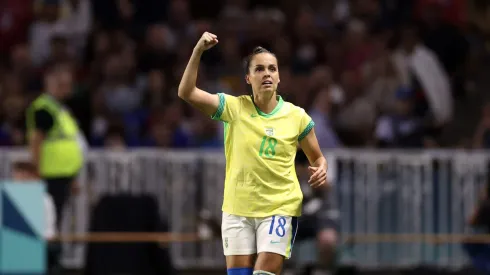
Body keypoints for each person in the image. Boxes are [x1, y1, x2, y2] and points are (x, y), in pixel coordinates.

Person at [178, 32, 328, 275]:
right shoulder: (233, 108)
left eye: (272, 69)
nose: (266, 73)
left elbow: (318, 157)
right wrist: (198, 51)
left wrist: (321, 168)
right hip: (237, 210)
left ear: (279, 77)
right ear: (248, 78)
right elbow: (186, 92)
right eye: (259, 69)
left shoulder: (297, 116)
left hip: (279, 209)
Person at [25, 61, 85, 229]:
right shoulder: (43, 108)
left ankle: (53, 255)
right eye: (63, 84)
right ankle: (47, 255)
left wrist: (72, 177)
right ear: (51, 83)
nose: (67, 88)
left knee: (55, 221)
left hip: (62, 175)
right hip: (49, 175)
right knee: (47, 223)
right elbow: (36, 141)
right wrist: (35, 172)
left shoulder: (60, 109)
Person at [11, 161, 58, 272]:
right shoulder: (8, 200)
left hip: (35, 245)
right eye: (16, 177)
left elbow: (49, 231)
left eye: (23, 177)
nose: (19, 181)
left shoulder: (44, 199)